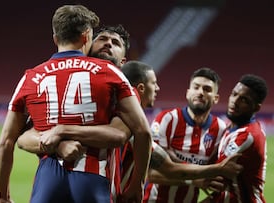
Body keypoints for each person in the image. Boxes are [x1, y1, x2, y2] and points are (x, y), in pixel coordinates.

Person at [18, 61, 243, 203]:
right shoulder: (131, 126)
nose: (159, 88)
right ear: (140, 88)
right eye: (154, 83)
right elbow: (166, 168)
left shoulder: (117, 122)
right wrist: (218, 169)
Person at [0, 5, 152, 203]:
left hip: (47, 178)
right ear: (87, 37)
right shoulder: (110, 76)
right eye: (101, 39)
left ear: (55, 38)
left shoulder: (32, 76)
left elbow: (10, 140)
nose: (107, 45)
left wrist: (2, 196)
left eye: (115, 42)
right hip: (95, 176)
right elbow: (133, 133)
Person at [145, 67, 227, 203]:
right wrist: (193, 180)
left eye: (207, 89)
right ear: (188, 93)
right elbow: (151, 174)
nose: (200, 92)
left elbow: (216, 177)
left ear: (216, 98)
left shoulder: (220, 129)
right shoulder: (167, 119)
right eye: (196, 87)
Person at [204, 74, 268, 203]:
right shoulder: (230, 128)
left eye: (244, 100)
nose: (235, 101)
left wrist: (170, 169)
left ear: (256, 108)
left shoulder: (248, 135)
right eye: (234, 94)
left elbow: (214, 175)